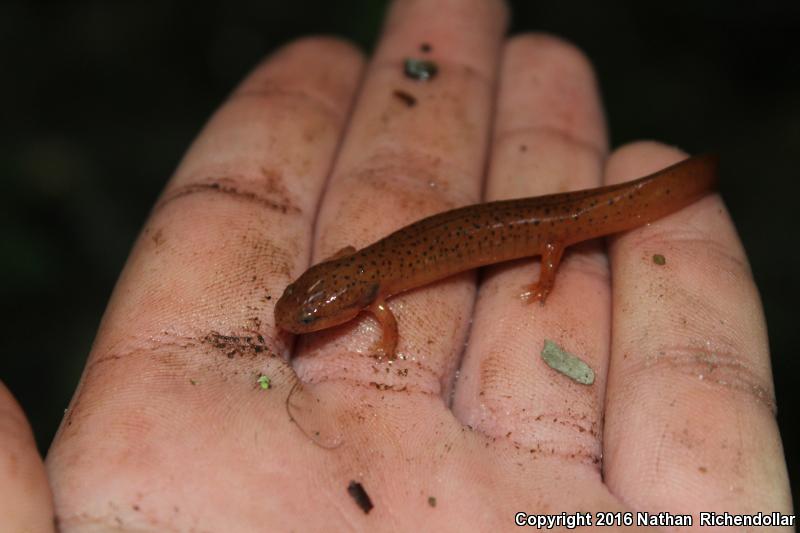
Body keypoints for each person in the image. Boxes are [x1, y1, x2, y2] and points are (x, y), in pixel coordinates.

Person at [2, 0, 792, 530]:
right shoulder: (359, 279)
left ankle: (674, 191)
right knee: (551, 220)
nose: (307, 319)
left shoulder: (370, 294)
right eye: (305, 310)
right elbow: (348, 270)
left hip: (552, 227)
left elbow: (372, 299)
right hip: (514, 223)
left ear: (344, 304)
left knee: (558, 229)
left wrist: (542, 276)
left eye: (311, 314)